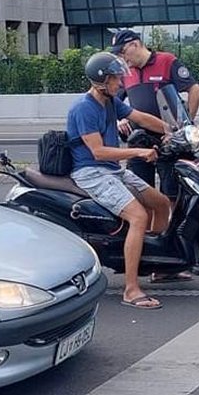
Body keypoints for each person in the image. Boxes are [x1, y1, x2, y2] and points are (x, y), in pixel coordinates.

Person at [67, 51, 172, 310]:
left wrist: (172, 129)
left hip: (112, 170)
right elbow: (98, 152)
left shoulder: (111, 102)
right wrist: (137, 151)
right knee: (138, 217)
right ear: (101, 82)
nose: (121, 83)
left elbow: (139, 117)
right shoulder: (83, 109)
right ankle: (131, 288)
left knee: (160, 203)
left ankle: (156, 265)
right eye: (116, 79)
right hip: (91, 172)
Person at [110, 29, 199, 280]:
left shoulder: (167, 61)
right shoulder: (126, 73)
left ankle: (178, 256)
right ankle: (156, 258)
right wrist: (120, 119)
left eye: (123, 52)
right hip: (140, 143)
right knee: (143, 198)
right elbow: (113, 102)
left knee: (172, 198)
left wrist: (185, 126)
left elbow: (195, 90)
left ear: (134, 44)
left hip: (169, 142)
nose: (123, 58)